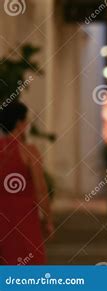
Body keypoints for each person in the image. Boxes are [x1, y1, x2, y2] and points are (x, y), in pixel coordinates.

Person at [0, 101, 53, 265]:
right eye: (26, 121)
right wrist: (48, 220)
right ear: (19, 123)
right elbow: (41, 189)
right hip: (24, 220)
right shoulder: (30, 151)